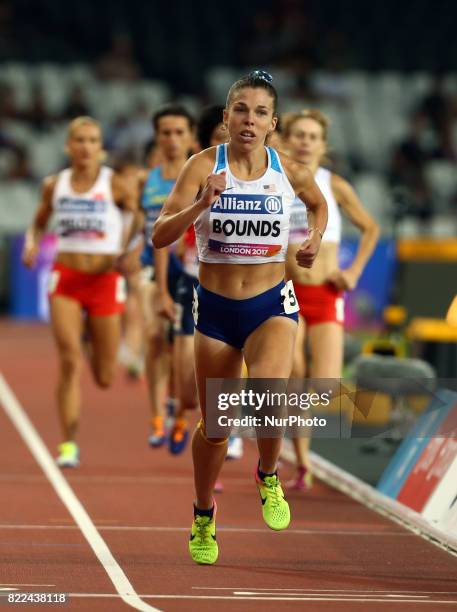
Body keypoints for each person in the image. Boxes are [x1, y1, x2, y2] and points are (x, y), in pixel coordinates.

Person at [153, 71, 328, 565]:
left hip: (271, 302)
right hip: (215, 310)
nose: (248, 120)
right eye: (240, 110)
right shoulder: (200, 166)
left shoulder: (287, 169)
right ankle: (203, 513)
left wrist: (313, 238)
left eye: (259, 112)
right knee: (216, 425)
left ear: (273, 122)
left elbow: (318, 206)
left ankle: (268, 475)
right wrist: (200, 206)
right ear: (226, 117)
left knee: (271, 397)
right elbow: (160, 235)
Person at [22, 116, 138, 467]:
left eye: (92, 141)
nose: (86, 147)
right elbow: (39, 222)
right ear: (68, 146)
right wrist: (31, 243)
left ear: (100, 149)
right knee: (69, 360)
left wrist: (125, 249)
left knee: (104, 377)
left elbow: (136, 219)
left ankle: (90, 337)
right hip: (67, 278)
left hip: (104, 281)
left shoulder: (114, 184)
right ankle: (68, 444)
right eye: (80, 140)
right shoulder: (54, 185)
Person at [283, 109, 379, 489]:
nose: (305, 142)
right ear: (287, 140)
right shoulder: (275, 180)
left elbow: (371, 228)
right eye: (299, 135)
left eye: (313, 137)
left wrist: (353, 271)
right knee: (293, 372)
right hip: (285, 291)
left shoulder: (333, 185)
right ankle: (301, 462)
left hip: (325, 293)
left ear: (324, 146)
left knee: (323, 385)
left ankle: (293, 439)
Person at [138, 105, 196, 449]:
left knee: (184, 350)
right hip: (154, 264)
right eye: (165, 133)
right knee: (154, 336)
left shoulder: (200, 175)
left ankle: (180, 412)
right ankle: (156, 416)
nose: (172, 140)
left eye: (179, 133)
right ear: (157, 138)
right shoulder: (148, 179)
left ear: (190, 137)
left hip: (189, 269)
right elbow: (140, 224)